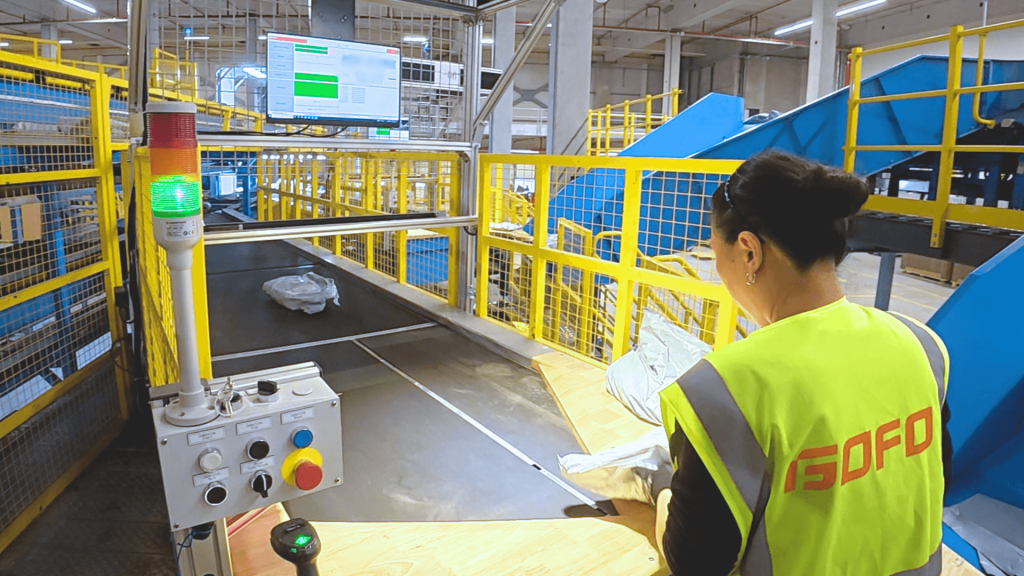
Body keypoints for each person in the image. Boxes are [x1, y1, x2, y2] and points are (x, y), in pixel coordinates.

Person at [651, 151, 952, 575]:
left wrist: (660, 492)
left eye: (716, 253)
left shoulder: (720, 392)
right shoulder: (921, 344)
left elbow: (695, 562)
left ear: (749, 252)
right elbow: (936, 478)